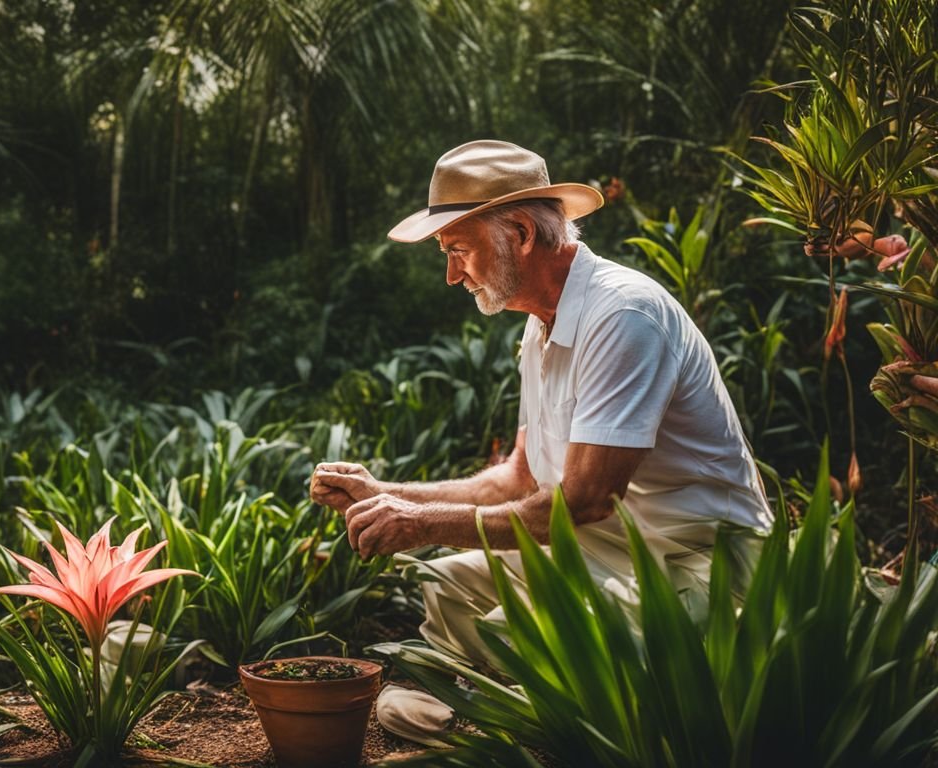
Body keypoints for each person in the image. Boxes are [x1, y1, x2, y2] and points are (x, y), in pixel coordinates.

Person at [309, 140, 771, 745]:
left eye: (457, 250)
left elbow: (583, 502)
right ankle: (499, 703)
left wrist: (419, 525)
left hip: (700, 568)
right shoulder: (543, 324)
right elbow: (520, 478)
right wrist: (386, 494)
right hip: (598, 555)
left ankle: (516, 723)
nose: (452, 275)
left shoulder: (624, 314)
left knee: (514, 623)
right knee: (449, 584)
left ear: (522, 233)